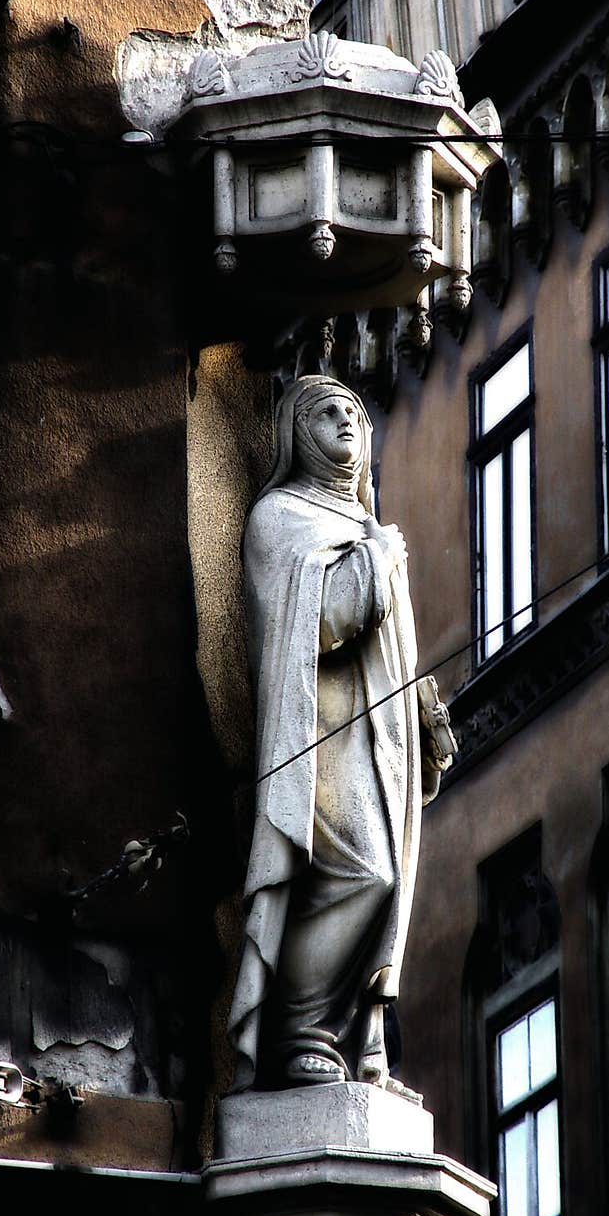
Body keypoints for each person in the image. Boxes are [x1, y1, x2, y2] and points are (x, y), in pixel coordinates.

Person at [228, 376, 451, 1090]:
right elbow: (323, 620)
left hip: (382, 734)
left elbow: (398, 655)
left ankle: (356, 1042)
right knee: (359, 871)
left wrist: (424, 719)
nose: (346, 421)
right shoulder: (279, 516)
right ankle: (301, 1031)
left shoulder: (365, 529)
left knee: (390, 887)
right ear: (296, 432)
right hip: (318, 734)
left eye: (355, 412)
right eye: (326, 412)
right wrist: (377, 560)